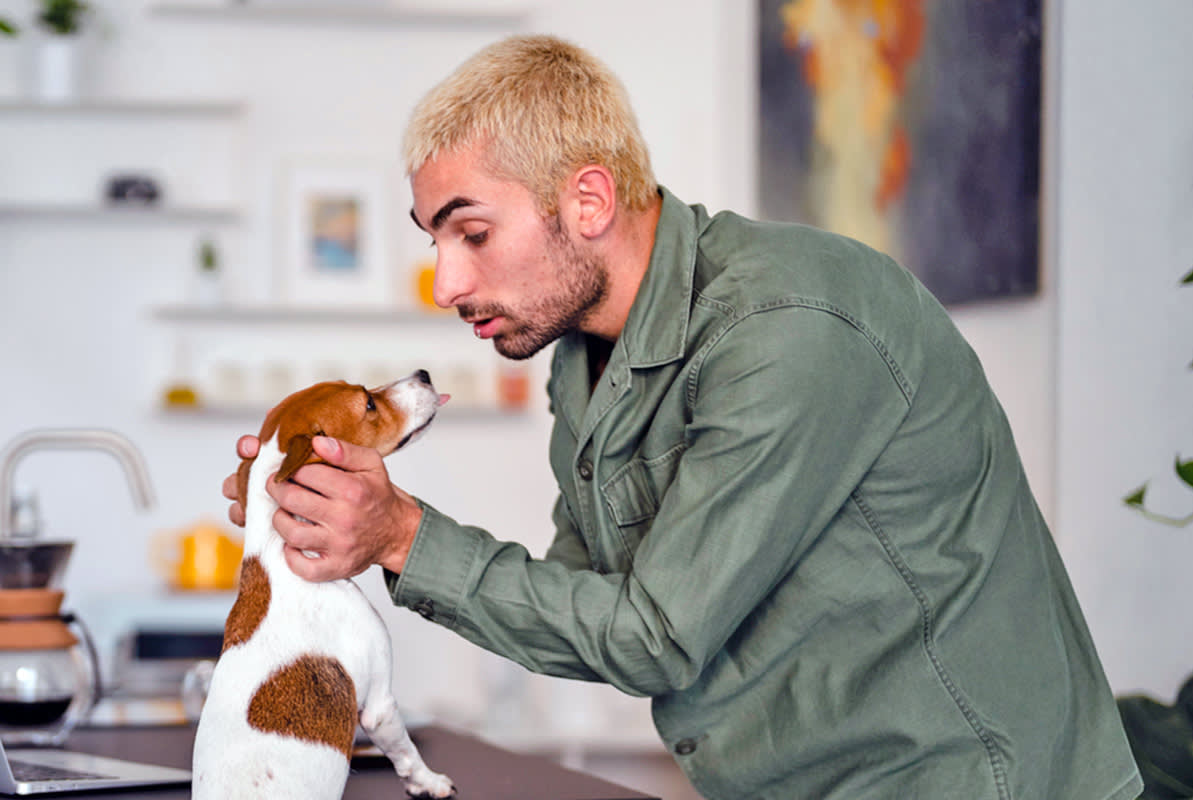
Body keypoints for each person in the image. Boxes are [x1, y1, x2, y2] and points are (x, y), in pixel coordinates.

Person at [223, 34, 1142, 800]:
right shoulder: (585, 364)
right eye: (435, 240)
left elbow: (653, 636)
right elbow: (588, 614)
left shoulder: (785, 330)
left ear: (586, 201)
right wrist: (322, 512)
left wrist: (398, 533)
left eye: (471, 233)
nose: (445, 282)